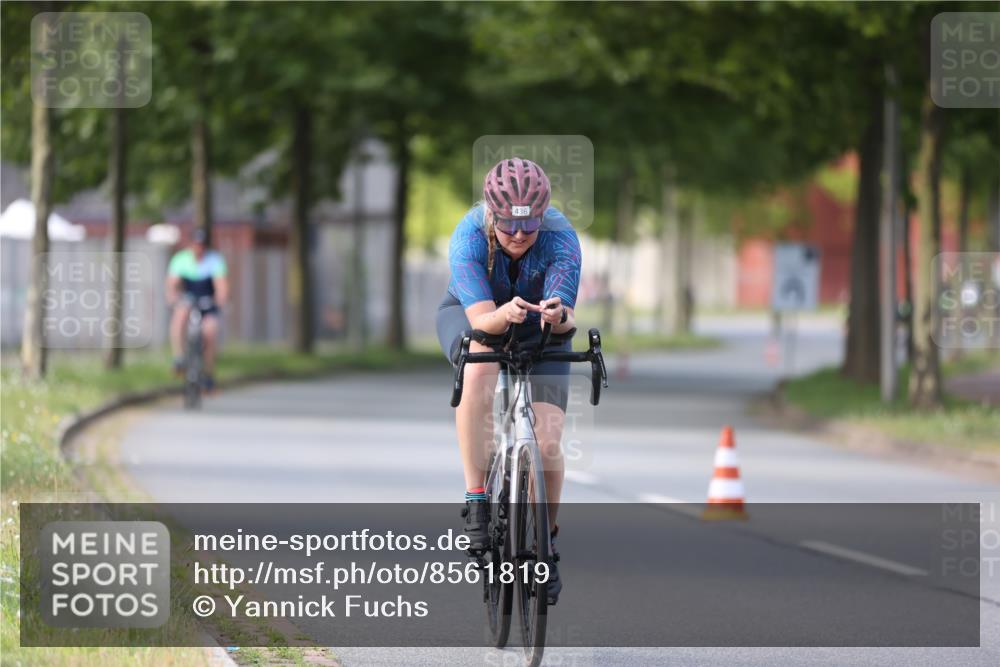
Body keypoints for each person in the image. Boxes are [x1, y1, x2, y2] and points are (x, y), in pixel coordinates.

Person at [436, 157, 581, 604]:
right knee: (480, 361)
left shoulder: (561, 238)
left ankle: (546, 542)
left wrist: (556, 317)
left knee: (550, 434)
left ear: (544, 216)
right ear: (490, 214)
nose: (519, 235)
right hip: (475, 317)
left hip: (538, 325)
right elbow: (482, 320)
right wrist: (505, 313)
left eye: (530, 226)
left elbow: (566, 315)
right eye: (508, 226)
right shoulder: (468, 235)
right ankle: (477, 497)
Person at [166, 228, 229, 392]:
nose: (198, 248)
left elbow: (221, 286)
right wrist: (174, 298)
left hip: (208, 302)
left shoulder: (214, 260)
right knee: (180, 316)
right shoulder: (181, 260)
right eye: (196, 244)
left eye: (201, 245)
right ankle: (179, 358)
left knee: (210, 331)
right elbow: (172, 285)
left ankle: (208, 374)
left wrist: (220, 300)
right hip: (189, 300)